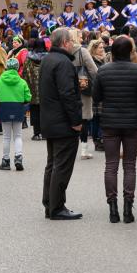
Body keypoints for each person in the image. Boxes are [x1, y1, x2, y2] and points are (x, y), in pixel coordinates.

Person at [92, 35, 137, 224]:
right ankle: (128, 207)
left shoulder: (103, 71)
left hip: (110, 122)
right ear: (130, 51)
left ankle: (112, 208)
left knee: (110, 165)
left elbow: (96, 97)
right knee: (129, 165)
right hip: (133, 122)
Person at [39, 27, 84, 220]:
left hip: (50, 120)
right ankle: (57, 207)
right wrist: (76, 121)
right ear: (65, 42)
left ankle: (51, 204)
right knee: (62, 166)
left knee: (53, 164)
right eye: (72, 40)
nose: (74, 44)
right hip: (63, 122)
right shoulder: (64, 63)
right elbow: (68, 94)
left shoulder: (47, 60)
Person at [0, 59, 32, 172]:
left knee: (6, 137)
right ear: (18, 68)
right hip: (18, 108)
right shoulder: (22, 82)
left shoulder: (0, 81)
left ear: (7, 68)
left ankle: (5, 160)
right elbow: (28, 97)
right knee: (18, 136)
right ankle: (18, 158)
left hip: (5, 108)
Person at [72, 34, 100, 159]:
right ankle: (84, 149)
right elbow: (94, 70)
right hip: (83, 89)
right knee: (84, 119)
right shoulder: (81, 51)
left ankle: (70, 148)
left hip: (67, 88)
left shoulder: (61, 51)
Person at [22, 36, 47, 140]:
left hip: (33, 89)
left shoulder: (29, 58)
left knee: (35, 111)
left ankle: (37, 133)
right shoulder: (48, 58)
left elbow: (25, 74)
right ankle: (45, 132)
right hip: (46, 89)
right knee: (46, 111)